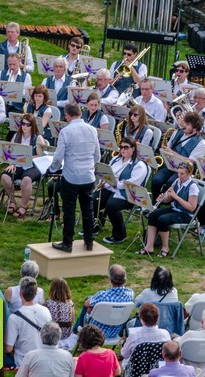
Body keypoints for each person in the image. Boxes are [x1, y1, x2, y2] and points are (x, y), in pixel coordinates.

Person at [49, 103, 101, 253]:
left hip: (71, 176)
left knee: (69, 209)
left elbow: (58, 156)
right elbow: (97, 155)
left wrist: (52, 168)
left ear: (67, 115)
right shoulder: (92, 130)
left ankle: (67, 242)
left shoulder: (66, 131)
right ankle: (89, 241)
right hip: (88, 176)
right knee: (87, 209)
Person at [141, 160, 198, 258]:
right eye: (178, 173)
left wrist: (175, 196)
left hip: (186, 214)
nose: (179, 176)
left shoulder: (193, 187)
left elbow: (192, 207)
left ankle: (165, 247)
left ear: (189, 173)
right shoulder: (177, 181)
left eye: (182, 173)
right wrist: (163, 199)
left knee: (163, 220)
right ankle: (149, 246)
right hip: (175, 209)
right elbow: (168, 200)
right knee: (153, 214)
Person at [100, 136, 150, 244]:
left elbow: (132, 183)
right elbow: (107, 173)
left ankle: (119, 235)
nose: (123, 149)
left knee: (111, 205)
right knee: (96, 198)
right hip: (112, 188)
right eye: (121, 147)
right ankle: (98, 225)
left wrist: (115, 184)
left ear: (133, 149)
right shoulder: (116, 159)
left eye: (126, 147)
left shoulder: (139, 165)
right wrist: (103, 183)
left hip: (129, 194)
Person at [72, 265, 134, 339]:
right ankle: (76, 329)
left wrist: (91, 308)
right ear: (125, 279)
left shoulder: (102, 295)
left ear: (110, 279)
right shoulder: (130, 294)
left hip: (95, 331)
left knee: (88, 300)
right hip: (115, 331)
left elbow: (86, 304)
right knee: (91, 300)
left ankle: (76, 330)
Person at [6, 276, 53, 367]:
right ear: (35, 294)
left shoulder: (14, 318)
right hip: (43, 358)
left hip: (23, 361)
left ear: (20, 294)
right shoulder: (46, 311)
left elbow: (8, 348)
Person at [120, 303, 171, 369]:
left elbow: (124, 354)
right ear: (157, 318)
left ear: (141, 319)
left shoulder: (134, 336)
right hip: (157, 368)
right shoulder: (165, 334)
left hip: (136, 370)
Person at [44, 277, 74, 344]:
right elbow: (72, 319)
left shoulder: (48, 303)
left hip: (52, 334)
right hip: (67, 334)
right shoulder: (70, 303)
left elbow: (45, 320)